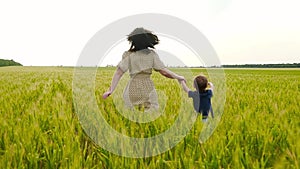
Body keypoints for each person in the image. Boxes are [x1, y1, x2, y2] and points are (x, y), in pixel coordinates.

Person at [102, 27, 185, 111]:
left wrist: (111, 90)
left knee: (130, 115)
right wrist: (178, 77)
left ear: (133, 41)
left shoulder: (128, 55)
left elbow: (119, 73)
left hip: (131, 88)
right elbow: (164, 72)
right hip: (147, 87)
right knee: (152, 112)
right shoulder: (151, 55)